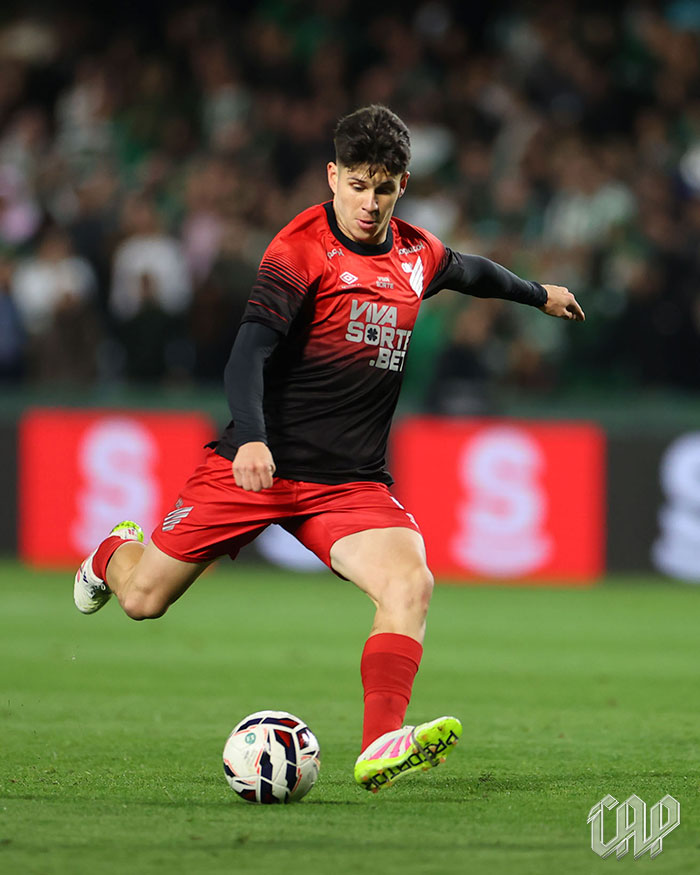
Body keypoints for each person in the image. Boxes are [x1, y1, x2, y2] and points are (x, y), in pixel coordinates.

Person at [74, 105, 584, 793]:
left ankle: (380, 743)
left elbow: (472, 272)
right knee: (142, 600)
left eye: (384, 189)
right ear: (333, 176)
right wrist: (253, 436)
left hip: (347, 483)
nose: (369, 204)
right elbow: (247, 355)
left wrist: (538, 293)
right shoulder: (299, 249)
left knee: (410, 583)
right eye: (357, 186)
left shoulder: (417, 254)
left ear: (402, 184)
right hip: (255, 465)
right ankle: (114, 550)